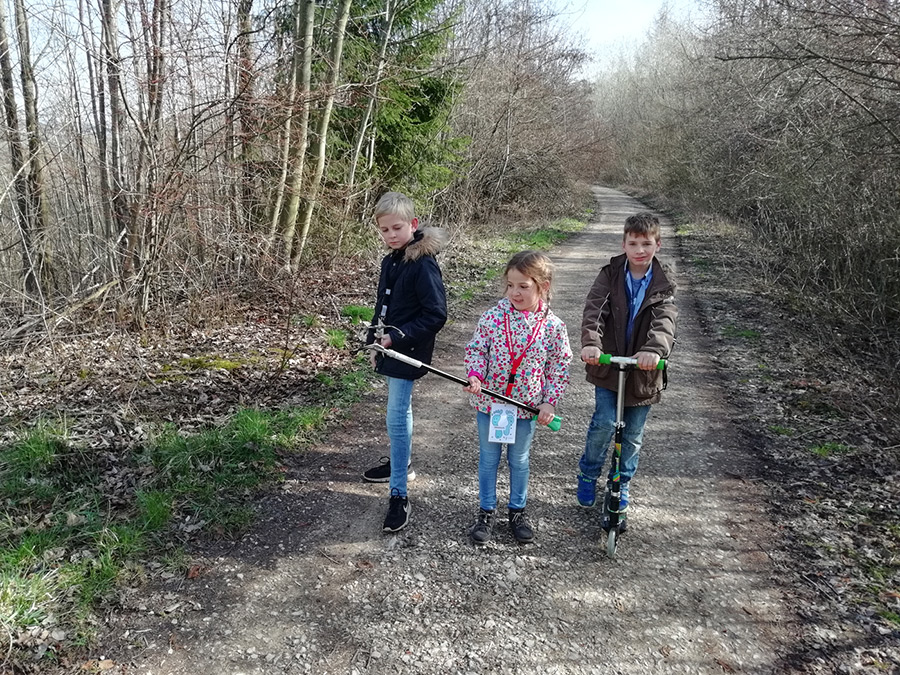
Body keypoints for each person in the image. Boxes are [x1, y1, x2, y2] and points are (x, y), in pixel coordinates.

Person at [463, 251, 572, 545]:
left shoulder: (554, 327)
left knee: (519, 460)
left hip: (526, 409)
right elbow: (476, 350)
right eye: (510, 285)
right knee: (488, 459)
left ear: (543, 286)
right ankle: (486, 511)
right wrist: (475, 375)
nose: (515, 293)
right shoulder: (492, 317)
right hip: (490, 405)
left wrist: (549, 401)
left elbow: (559, 366)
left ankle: (517, 511)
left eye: (523, 286)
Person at [576, 212, 677, 519]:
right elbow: (595, 309)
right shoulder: (611, 274)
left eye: (646, 244)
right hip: (609, 365)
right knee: (604, 422)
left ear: (658, 245)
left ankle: (621, 484)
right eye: (633, 243)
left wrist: (654, 350)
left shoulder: (663, 281)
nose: (640, 250)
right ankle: (588, 473)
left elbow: (665, 321)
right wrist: (591, 343)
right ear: (624, 244)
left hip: (644, 373)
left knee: (632, 434)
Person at [363, 191, 448, 533]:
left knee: (396, 416)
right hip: (388, 347)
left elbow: (436, 314)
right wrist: (373, 339)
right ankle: (403, 463)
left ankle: (399, 493)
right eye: (384, 230)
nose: (391, 235)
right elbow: (383, 304)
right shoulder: (391, 260)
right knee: (400, 412)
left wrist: (396, 338)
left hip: (407, 350)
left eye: (397, 228)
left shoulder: (423, 264)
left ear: (413, 224)